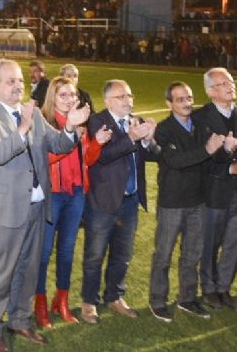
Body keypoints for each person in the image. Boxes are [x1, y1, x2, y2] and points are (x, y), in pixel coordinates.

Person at [0, 59, 89, 351]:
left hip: (35, 208)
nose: (18, 86)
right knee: (0, 273)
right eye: (10, 81)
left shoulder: (34, 114)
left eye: (20, 81)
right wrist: (21, 128)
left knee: (27, 270)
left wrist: (71, 129)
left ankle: (20, 321)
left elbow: (58, 145)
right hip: (3, 212)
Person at [148, 82, 229, 323]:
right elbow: (175, 160)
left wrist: (225, 149)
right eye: (180, 99)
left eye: (189, 98)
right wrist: (208, 149)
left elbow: (212, 159)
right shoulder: (163, 130)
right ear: (169, 104)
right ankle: (158, 301)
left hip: (198, 201)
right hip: (172, 202)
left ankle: (187, 298)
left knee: (192, 253)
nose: (186, 103)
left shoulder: (201, 126)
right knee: (164, 254)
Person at [35, 77, 111, 329]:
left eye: (72, 95)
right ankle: (40, 304)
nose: (69, 99)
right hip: (52, 195)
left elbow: (87, 161)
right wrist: (69, 132)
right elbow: (45, 159)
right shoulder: (45, 123)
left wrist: (97, 141)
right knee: (44, 253)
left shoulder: (80, 123)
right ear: (52, 98)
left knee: (66, 252)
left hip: (76, 193)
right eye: (63, 95)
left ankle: (62, 300)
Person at [81, 79, 159, 324]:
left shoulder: (136, 121)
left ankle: (114, 295)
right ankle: (89, 301)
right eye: (121, 97)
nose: (128, 100)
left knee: (122, 254)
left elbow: (154, 155)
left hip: (129, 201)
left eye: (129, 95)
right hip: (103, 202)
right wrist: (131, 137)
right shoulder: (96, 121)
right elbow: (101, 157)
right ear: (107, 101)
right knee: (94, 255)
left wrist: (147, 140)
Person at [193, 68, 237, 311]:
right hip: (214, 192)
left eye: (231, 81)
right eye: (223, 83)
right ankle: (209, 289)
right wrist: (232, 168)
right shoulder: (199, 117)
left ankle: (224, 288)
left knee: (235, 242)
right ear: (210, 91)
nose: (230, 86)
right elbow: (200, 159)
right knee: (210, 244)